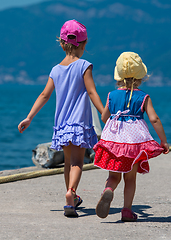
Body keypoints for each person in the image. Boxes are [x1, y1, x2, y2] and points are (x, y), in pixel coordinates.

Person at [18, 19, 104, 218]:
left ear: (61, 43)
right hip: (80, 123)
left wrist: (29, 117)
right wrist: (103, 112)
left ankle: (71, 200)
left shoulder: (55, 69)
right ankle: (71, 193)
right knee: (77, 162)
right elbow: (92, 92)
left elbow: (44, 95)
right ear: (83, 45)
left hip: (62, 125)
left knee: (67, 163)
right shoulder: (84, 65)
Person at [93, 51, 169, 222]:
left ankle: (109, 190)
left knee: (114, 176)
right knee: (130, 178)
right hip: (134, 143)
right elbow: (154, 119)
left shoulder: (112, 95)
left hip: (115, 141)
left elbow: (104, 118)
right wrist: (163, 141)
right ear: (141, 76)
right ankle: (126, 210)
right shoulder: (143, 97)